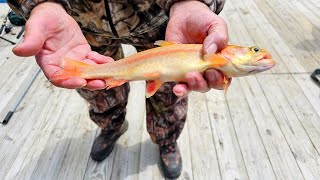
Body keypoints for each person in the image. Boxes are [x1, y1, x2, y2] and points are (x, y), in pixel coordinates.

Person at [7, 0, 228, 178]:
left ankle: (166, 139)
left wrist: (192, 2)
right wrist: (42, 3)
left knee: (171, 90)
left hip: (162, 19)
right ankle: (111, 125)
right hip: (79, 22)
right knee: (99, 87)